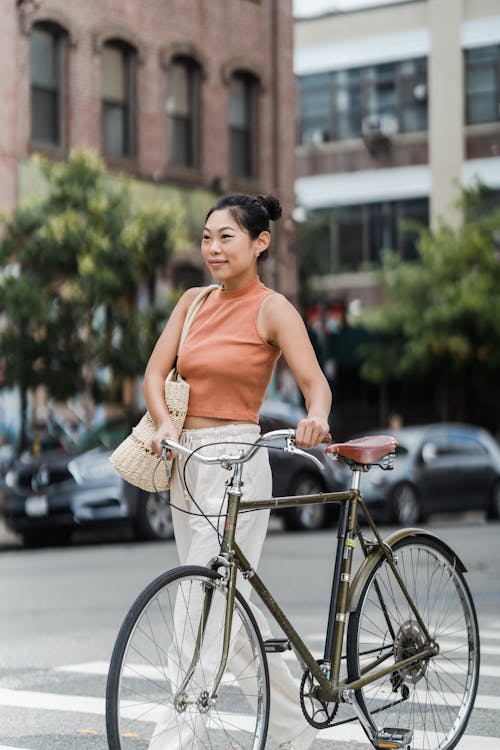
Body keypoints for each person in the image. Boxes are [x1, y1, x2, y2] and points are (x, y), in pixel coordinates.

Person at [143, 192, 332, 750]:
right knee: (227, 599)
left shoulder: (273, 309)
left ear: (260, 242)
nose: (213, 248)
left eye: (226, 236)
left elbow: (314, 383)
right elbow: (155, 374)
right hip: (185, 460)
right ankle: (293, 731)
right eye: (206, 237)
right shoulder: (193, 302)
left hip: (237, 461)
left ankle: (173, 738)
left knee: (198, 598)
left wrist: (315, 419)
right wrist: (163, 424)